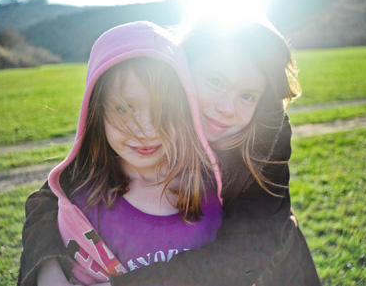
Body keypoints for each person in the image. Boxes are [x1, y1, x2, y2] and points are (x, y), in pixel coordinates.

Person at [18, 19, 321, 285]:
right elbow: (52, 197)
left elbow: (249, 248)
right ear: (179, 71)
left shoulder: (265, 136)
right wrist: (47, 266)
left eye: (247, 95)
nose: (226, 110)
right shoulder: (137, 132)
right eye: (214, 81)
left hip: (270, 269)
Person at [23, 21, 224, 285]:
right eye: (124, 109)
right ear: (96, 114)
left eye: (165, 110)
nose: (147, 130)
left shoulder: (215, 186)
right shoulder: (83, 203)